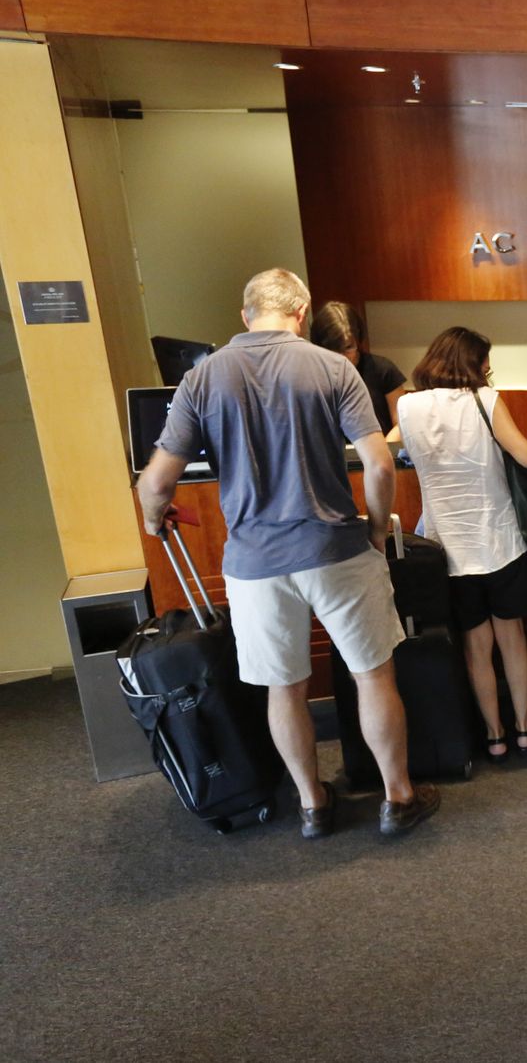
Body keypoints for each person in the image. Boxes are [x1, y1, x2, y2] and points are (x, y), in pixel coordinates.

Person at [135, 268, 439, 839]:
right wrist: (375, 531)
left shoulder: (202, 379)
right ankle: (398, 799)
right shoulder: (332, 368)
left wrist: (156, 520)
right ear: (300, 314)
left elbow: (155, 485)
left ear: (246, 315)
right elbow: (378, 464)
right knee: (373, 676)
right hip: (336, 550)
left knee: (285, 687)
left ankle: (312, 805)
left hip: (254, 563)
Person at [394, 327, 527, 765]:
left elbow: (390, 444)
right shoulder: (485, 400)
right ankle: (524, 728)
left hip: (449, 549)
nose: (487, 372)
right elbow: (526, 455)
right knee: (512, 638)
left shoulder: (407, 406)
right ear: (472, 363)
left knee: (475, 647)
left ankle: (494, 734)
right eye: (485, 364)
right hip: (498, 541)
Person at [310, 301, 408, 436]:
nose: (342, 357)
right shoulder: (311, 375)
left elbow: (401, 424)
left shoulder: (382, 369)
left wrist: (381, 449)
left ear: (358, 340)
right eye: (333, 350)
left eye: (349, 347)